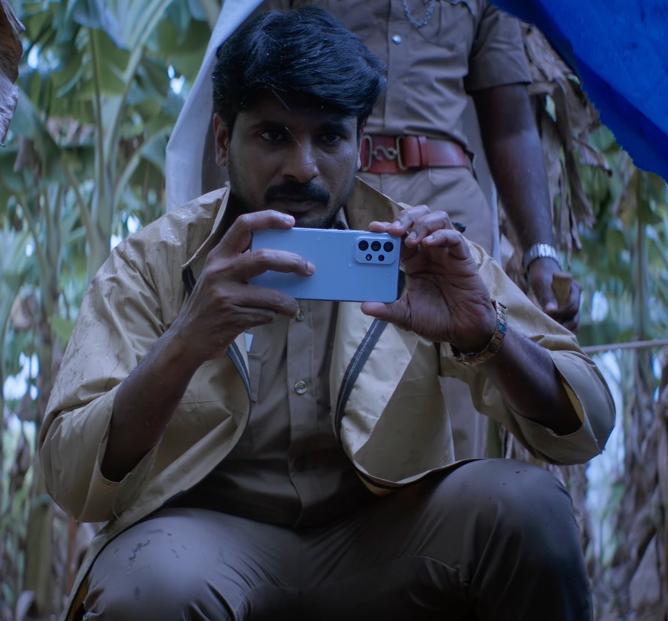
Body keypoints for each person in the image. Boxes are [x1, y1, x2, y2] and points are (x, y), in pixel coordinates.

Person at [41, 8, 614, 620]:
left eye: (330, 138)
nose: (303, 167)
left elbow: (588, 423)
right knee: (145, 590)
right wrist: (185, 341)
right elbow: (70, 475)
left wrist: (485, 333)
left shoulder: (417, 254)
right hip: (208, 539)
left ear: (359, 148)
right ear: (221, 140)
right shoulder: (153, 261)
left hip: (383, 540)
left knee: (530, 510)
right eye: (273, 136)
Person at [166, 0, 582, 459]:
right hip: (320, 192)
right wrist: (220, 224)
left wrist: (541, 252)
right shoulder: (160, 254)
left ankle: (444, 499)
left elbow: (511, 124)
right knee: (309, 371)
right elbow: (251, 73)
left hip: (445, 205)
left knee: (460, 397)